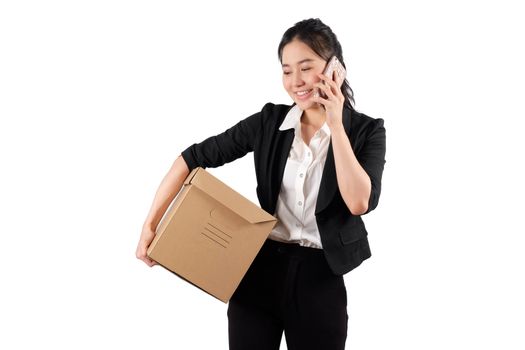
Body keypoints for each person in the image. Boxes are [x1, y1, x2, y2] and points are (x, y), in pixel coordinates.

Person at [136, 18, 386, 350]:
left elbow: (359, 203)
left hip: (320, 278)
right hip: (258, 271)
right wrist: (150, 225)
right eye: (286, 71)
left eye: (306, 67)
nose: (295, 81)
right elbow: (191, 157)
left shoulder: (367, 131)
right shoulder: (269, 122)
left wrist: (337, 126)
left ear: (335, 69)